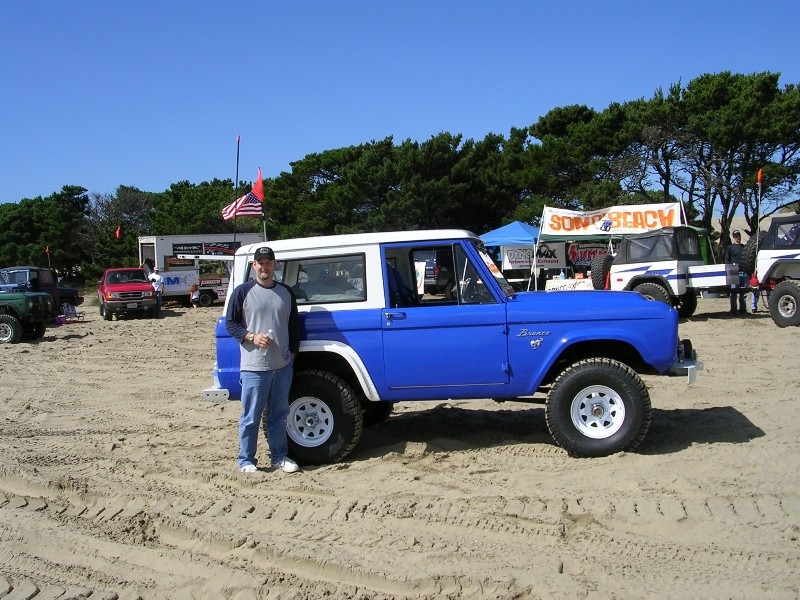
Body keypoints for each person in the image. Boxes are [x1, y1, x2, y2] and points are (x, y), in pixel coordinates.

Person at [225, 246, 301, 474]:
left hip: (282, 366)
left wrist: (292, 354)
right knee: (251, 417)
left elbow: (294, 326)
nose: (264, 267)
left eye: (269, 263)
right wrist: (251, 337)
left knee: (279, 415)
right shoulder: (242, 292)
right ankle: (246, 459)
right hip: (254, 367)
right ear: (254, 266)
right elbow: (230, 323)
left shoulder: (286, 292)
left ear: (274, 265)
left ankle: (279, 456)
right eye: (261, 263)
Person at [723, 230, 748, 316]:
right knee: (733, 292)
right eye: (736, 236)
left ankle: (743, 310)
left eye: (739, 236)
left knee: (743, 293)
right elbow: (727, 260)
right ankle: (733, 310)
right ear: (733, 237)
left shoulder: (744, 247)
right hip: (734, 272)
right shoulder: (730, 248)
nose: (738, 238)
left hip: (744, 272)